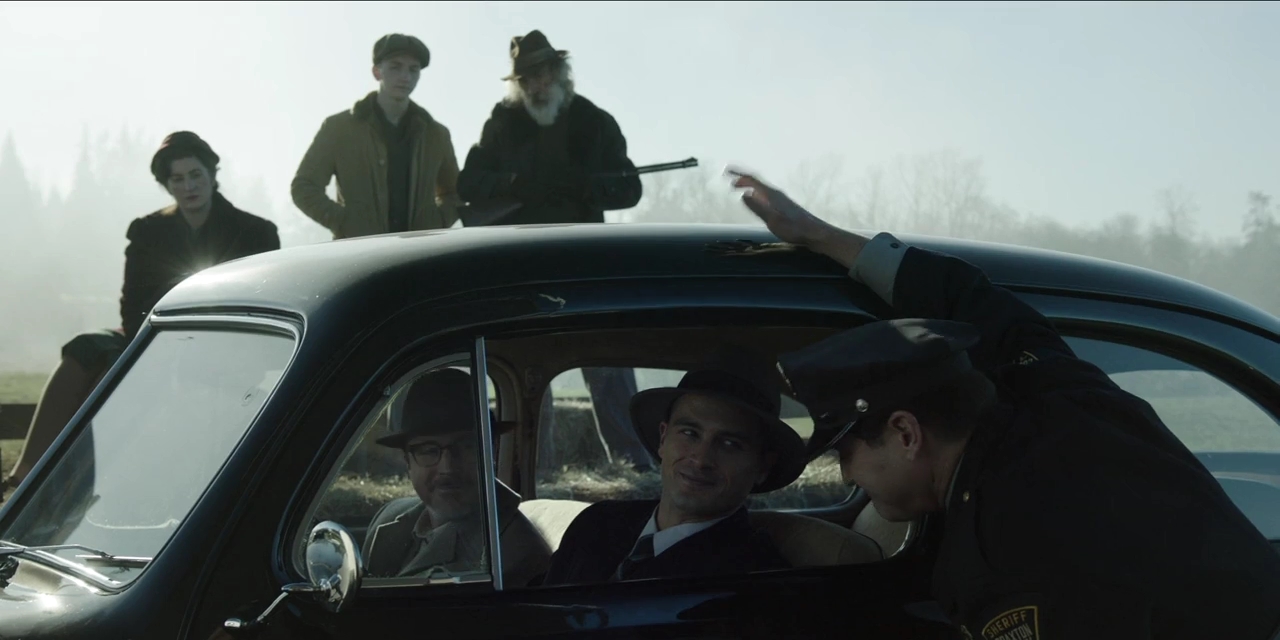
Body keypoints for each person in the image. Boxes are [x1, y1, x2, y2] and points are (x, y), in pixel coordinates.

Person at [727, 169, 1280, 640]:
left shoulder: (1007, 564)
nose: (847, 473)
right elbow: (971, 299)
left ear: (906, 433)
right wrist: (819, 235)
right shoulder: (1059, 390)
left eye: (846, 451)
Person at [3, 132, 280, 491]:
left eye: (195, 175)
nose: (188, 186)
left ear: (212, 174)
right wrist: (154, 344)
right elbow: (132, 302)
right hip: (154, 333)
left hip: (224, 340)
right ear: (167, 185)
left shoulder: (255, 232)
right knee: (83, 351)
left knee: (123, 383)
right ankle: (26, 475)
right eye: (177, 179)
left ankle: (77, 488)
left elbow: (261, 302)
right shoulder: (148, 231)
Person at [457, 30, 650, 471]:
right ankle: (526, 472)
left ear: (560, 73)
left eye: (543, 75)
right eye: (526, 79)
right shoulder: (502, 124)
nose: (536, 85)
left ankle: (637, 469)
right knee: (525, 371)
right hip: (522, 270)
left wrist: (587, 187)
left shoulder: (593, 121)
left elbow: (629, 188)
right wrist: (515, 183)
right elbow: (469, 184)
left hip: (587, 267)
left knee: (607, 363)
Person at [540, 355, 806, 585]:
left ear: (763, 466)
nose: (700, 459)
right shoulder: (597, 524)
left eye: (729, 444)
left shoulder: (758, 579)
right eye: (690, 433)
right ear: (663, 439)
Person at [362, 368, 552, 588]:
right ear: (407, 462)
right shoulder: (388, 517)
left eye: (466, 447)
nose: (448, 468)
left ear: (491, 452)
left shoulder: (513, 556)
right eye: (429, 450)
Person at [291, 33, 462, 240]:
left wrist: (436, 223)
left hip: (420, 253)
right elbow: (304, 187)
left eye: (413, 69)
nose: (405, 77)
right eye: (395, 67)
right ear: (377, 72)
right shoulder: (339, 128)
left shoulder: (436, 134)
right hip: (361, 252)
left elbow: (454, 193)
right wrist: (344, 223)